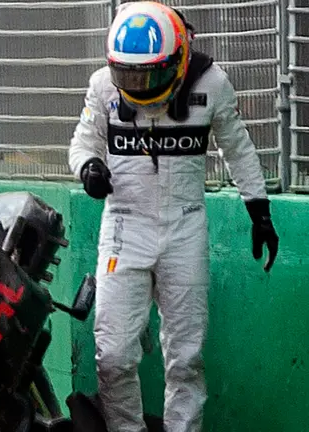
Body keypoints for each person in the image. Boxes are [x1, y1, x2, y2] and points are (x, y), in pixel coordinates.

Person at [67, 2, 279, 431]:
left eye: (151, 74)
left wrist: (259, 209)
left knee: (185, 357)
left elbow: (237, 147)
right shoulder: (102, 87)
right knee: (112, 354)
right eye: (129, 75)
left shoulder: (212, 83)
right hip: (124, 225)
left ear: (179, 58)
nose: (140, 85)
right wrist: (88, 168)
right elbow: (82, 143)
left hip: (185, 226)